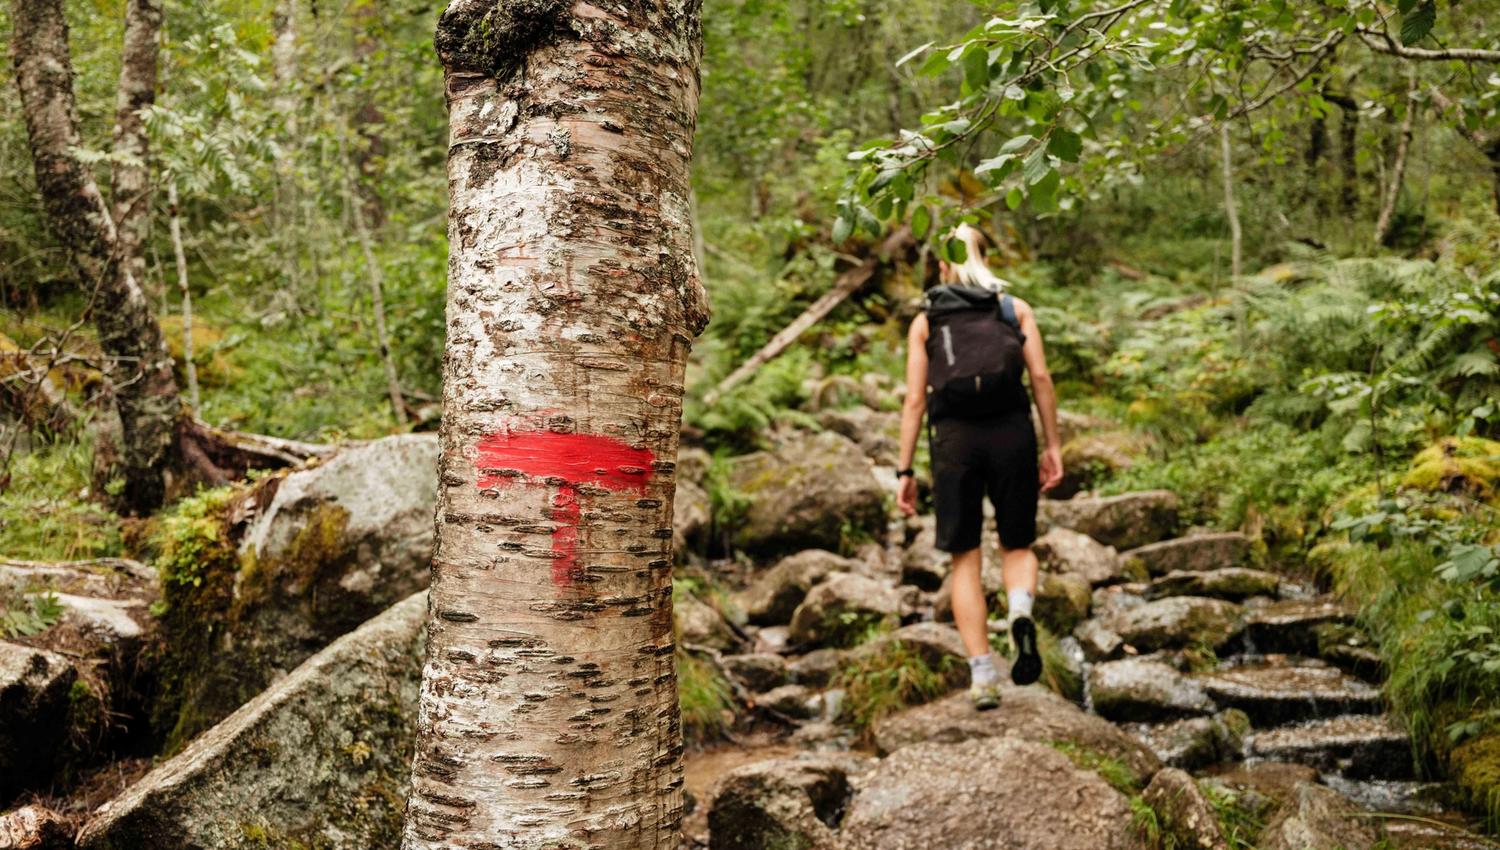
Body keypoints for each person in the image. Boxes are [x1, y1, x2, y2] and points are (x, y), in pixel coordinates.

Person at [895, 223, 1064, 711]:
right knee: (1018, 545)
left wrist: (904, 472)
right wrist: (1053, 445)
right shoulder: (1014, 309)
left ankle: (983, 676)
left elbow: (913, 401)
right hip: (1013, 432)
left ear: (945, 264)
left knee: (964, 557)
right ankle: (1018, 610)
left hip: (954, 442)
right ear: (985, 259)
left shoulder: (927, 321)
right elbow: (1040, 377)